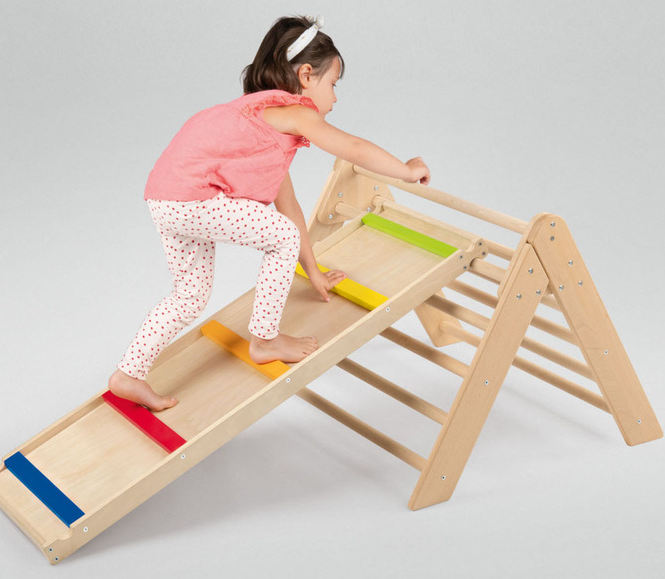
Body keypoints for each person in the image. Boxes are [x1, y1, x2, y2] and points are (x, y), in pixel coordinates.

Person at [108, 15, 431, 411]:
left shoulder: (260, 130)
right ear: (307, 75)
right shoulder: (293, 112)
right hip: (193, 199)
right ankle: (264, 339)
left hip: (165, 198)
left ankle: (129, 373)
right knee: (280, 236)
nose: (335, 99)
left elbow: (289, 207)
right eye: (334, 84)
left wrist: (313, 272)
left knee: (190, 295)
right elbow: (354, 148)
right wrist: (406, 170)